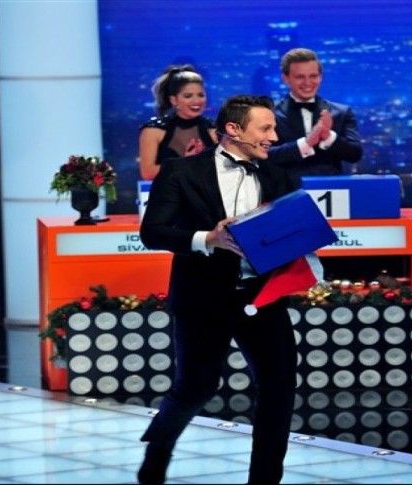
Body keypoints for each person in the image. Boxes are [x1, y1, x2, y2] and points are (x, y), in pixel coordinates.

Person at [137, 95, 300, 485]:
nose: (273, 137)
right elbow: (152, 232)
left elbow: (288, 233)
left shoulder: (279, 176)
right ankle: (158, 449)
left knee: (279, 386)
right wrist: (208, 238)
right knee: (196, 387)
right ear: (233, 129)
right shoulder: (180, 172)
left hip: (260, 297)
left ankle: (264, 480)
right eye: (265, 128)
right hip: (202, 299)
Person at [269, 47, 363, 182]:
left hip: (332, 190)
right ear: (285, 78)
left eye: (313, 76)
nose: (307, 83)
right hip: (286, 191)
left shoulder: (341, 113)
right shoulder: (270, 115)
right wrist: (305, 144)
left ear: (320, 77)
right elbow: (262, 155)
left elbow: (355, 154)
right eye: (300, 77)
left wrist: (328, 137)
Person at [138, 64, 218, 180]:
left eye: (201, 95)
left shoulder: (214, 130)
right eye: (188, 96)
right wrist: (186, 162)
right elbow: (148, 173)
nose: (196, 101)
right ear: (174, 100)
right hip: (168, 191)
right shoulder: (153, 131)